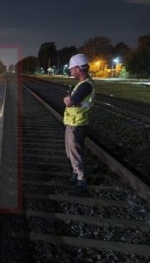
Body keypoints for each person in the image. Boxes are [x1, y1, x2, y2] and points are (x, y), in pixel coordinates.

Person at [63, 53, 95, 195]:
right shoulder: (82, 84)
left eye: (71, 69)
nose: (71, 71)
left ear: (78, 68)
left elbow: (70, 102)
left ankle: (82, 182)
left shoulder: (85, 86)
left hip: (77, 124)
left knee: (76, 153)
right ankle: (76, 174)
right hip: (73, 123)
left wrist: (67, 100)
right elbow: (73, 101)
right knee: (71, 152)